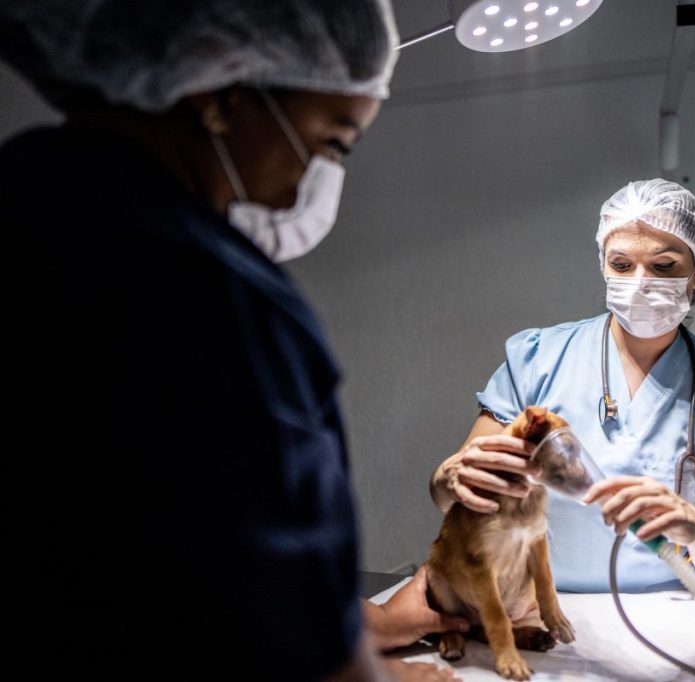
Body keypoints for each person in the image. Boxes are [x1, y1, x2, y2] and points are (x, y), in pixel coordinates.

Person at [1, 1, 461, 680]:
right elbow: (285, 636)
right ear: (222, 91)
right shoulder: (215, 296)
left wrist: (377, 628)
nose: (307, 189)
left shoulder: (28, 190)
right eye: (333, 142)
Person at [430, 179, 695, 593]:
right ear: (604, 265)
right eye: (622, 265)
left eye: (663, 266)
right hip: (540, 603)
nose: (640, 282)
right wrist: (447, 481)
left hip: (675, 611)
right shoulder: (537, 359)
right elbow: (462, 492)